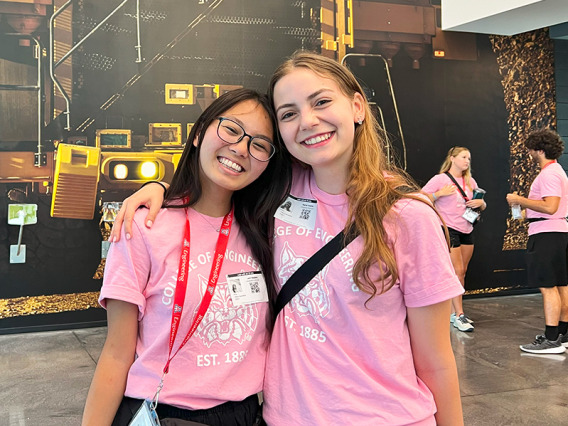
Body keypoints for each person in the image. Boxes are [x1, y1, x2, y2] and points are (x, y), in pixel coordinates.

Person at [112, 51, 465, 425]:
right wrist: (160, 189)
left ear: (357, 106)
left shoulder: (407, 216)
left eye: (322, 101)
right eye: (289, 114)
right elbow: (219, 182)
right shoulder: (276, 195)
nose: (308, 121)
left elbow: (437, 363)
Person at [82, 88, 291, 425]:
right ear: (199, 132)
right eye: (231, 129)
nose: (240, 149)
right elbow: (117, 353)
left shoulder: (269, 233)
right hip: (159, 413)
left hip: (243, 414)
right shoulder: (144, 225)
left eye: (259, 145)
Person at [506, 129, 568, 354]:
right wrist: (523, 210)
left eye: (531, 149)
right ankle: (562, 333)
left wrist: (519, 200)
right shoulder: (557, 171)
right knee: (561, 285)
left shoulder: (549, 174)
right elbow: (548, 207)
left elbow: (550, 207)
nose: (529, 153)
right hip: (556, 232)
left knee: (548, 286)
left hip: (546, 235)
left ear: (540, 150)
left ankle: (551, 339)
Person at [422, 147, 487, 332]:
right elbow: (419, 196)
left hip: (467, 227)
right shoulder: (441, 179)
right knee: (457, 271)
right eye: (464, 157)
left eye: (469, 157)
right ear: (452, 159)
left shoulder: (470, 181)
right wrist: (437, 195)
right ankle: (459, 315)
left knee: (462, 271)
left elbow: (481, 204)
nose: (467, 161)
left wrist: (481, 203)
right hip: (448, 228)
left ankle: (453, 313)